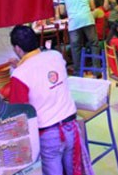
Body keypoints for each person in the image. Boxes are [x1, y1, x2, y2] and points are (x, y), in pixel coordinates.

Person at [7, 26, 90, 174]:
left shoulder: (19, 74)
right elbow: (41, 73)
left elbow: (19, 113)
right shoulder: (56, 56)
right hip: (71, 126)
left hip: (49, 135)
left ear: (17, 49)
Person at [59, 0, 99, 74]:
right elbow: (93, 7)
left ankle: (78, 72)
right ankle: (97, 71)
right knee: (94, 44)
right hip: (87, 19)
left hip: (74, 23)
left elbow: (62, 11)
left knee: (76, 47)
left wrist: (71, 11)